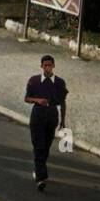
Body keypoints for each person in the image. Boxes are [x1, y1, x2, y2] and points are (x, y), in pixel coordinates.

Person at [25, 54, 68, 191]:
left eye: (50, 65)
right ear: (41, 66)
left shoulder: (60, 83)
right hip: (37, 115)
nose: (48, 68)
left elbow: (62, 102)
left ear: (53, 66)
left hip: (52, 116)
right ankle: (41, 179)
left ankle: (38, 170)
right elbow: (27, 98)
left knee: (46, 146)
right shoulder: (34, 81)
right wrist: (38, 100)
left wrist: (63, 121)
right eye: (45, 65)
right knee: (39, 146)